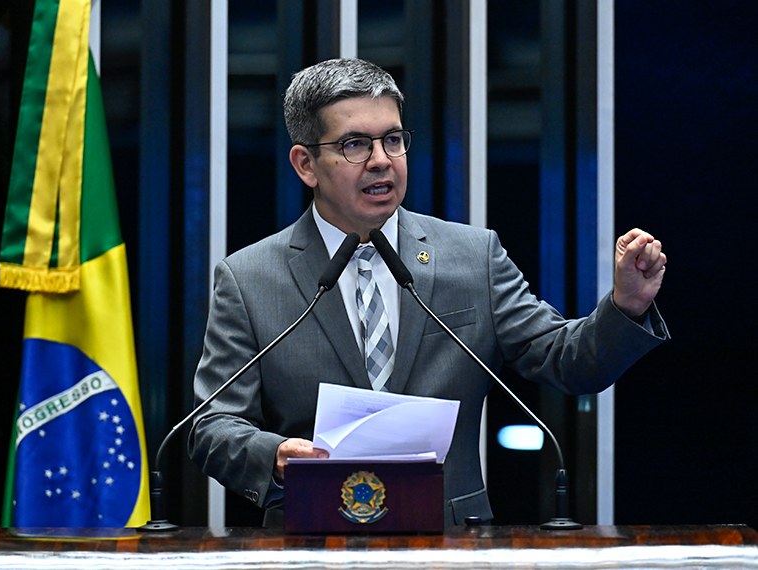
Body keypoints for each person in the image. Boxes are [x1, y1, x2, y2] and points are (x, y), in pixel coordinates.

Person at [187, 58, 668, 527]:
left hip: (451, 543)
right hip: (312, 540)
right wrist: (275, 455)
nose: (381, 161)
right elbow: (211, 427)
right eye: (355, 144)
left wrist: (627, 305)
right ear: (306, 164)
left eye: (393, 140)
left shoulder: (472, 257)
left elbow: (569, 360)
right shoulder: (248, 279)